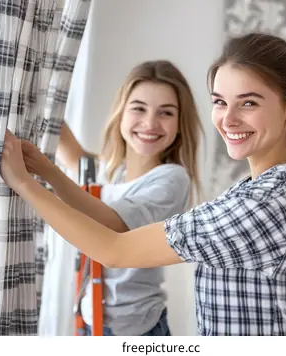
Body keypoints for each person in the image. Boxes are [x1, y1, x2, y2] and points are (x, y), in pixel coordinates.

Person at [0, 32, 286, 336]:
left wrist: (24, 184)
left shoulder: (269, 202)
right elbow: (84, 169)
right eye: (221, 101)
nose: (228, 118)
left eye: (249, 103)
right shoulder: (259, 191)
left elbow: (114, 248)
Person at [18, 60, 203, 336]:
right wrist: (36, 83)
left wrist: (44, 175)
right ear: (121, 114)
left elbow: (111, 224)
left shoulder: (171, 179)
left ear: (179, 124)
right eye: (138, 108)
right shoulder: (111, 172)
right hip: (90, 322)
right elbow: (65, 143)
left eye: (166, 113)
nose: (150, 123)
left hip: (135, 332)